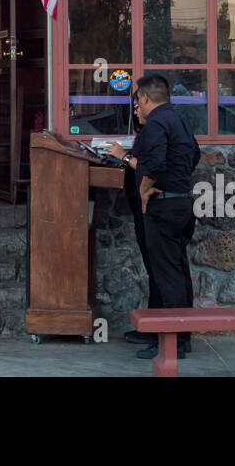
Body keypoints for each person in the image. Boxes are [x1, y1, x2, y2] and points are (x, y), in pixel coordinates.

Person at [130, 73, 200, 361]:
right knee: (178, 271)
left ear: (145, 98)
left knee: (167, 275)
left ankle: (173, 343)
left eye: (137, 101)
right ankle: (179, 337)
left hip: (163, 207)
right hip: (182, 203)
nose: (137, 107)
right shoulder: (178, 118)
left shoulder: (157, 122)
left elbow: (155, 165)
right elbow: (194, 154)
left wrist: (145, 191)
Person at [105, 101, 159, 346]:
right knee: (156, 269)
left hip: (155, 207)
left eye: (137, 107)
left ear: (148, 101)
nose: (134, 112)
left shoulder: (159, 129)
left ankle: (164, 334)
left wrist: (123, 157)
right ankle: (157, 330)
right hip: (145, 205)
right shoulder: (153, 129)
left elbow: (153, 168)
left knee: (161, 271)